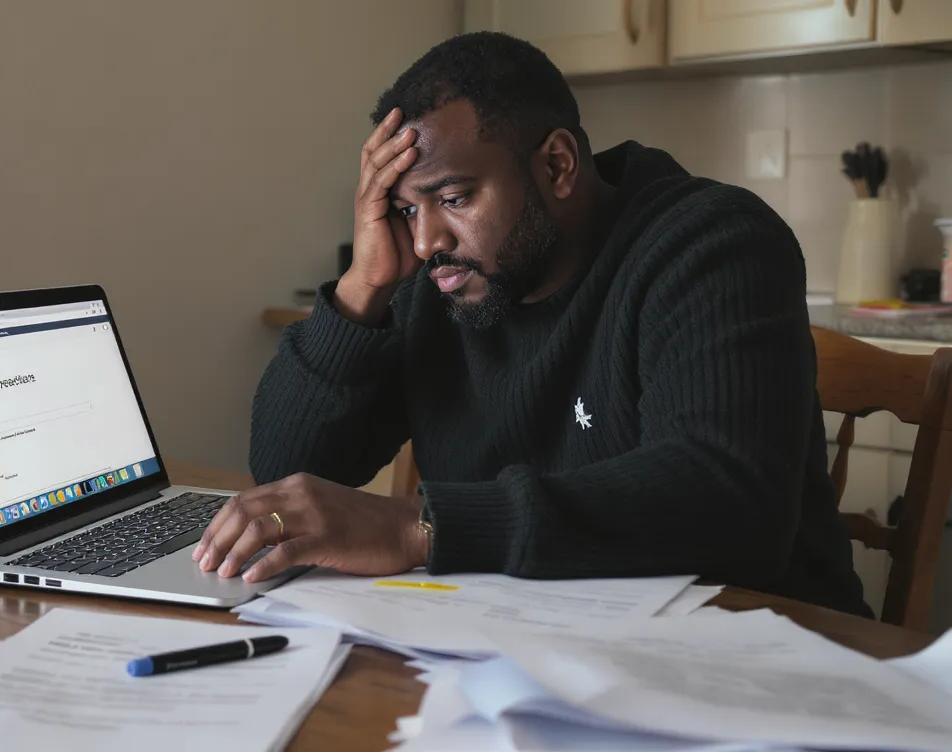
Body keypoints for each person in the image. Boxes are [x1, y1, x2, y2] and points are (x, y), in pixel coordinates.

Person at [193, 32, 868, 616]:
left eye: (453, 198)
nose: (426, 240)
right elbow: (285, 469)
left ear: (557, 164)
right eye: (404, 209)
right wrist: (361, 288)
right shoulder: (441, 283)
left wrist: (420, 527)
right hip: (533, 647)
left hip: (759, 656)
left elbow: (729, 505)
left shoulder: (711, 244)